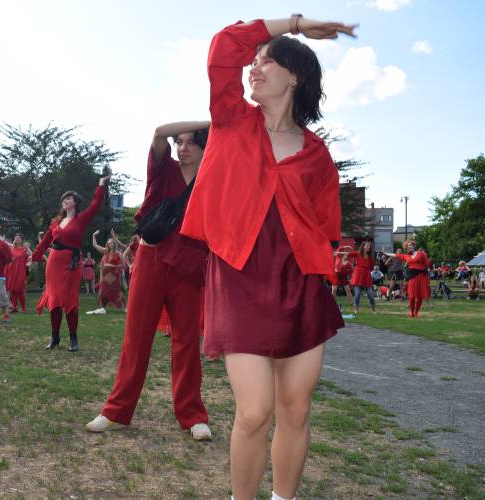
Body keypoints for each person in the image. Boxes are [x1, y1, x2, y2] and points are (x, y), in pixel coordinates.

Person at [177, 16, 355, 499]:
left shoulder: (318, 156)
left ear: (294, 76)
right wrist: (295, 23)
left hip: (298, 283)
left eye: (267, 62)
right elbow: (224, 46)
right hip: (238, 276)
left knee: (296, 409)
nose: (254, 68)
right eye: (254, 62)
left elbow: (326, 227)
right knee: (255, 411)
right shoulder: (232, 119)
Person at [86, 121, 211, 441]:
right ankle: (116, 411)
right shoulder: (162, 168)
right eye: (179, 142)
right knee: (136, 337)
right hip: (152, 259)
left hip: (190, 264)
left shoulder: (212, 173)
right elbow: (159, 132)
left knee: (186, 342)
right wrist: (211, 122)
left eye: (189, 143)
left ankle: (193, 416)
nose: (182, 147)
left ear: (203, 146)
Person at [32, 176, 110, 352]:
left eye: (69, 199)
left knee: (69, 300)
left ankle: (73, 339)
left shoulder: (81, 219)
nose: (65, 201)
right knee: (54, 300)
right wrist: (35, 257)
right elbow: (45, 241)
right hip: (54, 262)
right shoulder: (56, 222)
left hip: (72, 262)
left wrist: (100, 186)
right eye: (64, 199)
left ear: (75, 203)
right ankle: (55, 337)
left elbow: (96, 205)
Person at [386, 240, 431, 317]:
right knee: (411, 295)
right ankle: (412, 312)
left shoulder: (421, 254)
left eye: (410, 245)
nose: (409, 247)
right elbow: (395, 255)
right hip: (412, 277)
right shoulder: (406, 256)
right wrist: (385, 253)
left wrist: (425, 269)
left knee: (420, 296)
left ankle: (416, 312)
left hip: (421, 277)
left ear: (414, 246)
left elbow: (427, 263)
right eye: (407, 246)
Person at [87, 230, 126, 314]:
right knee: (103, 291)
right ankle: (103, 308)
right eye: (109, 243)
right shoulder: (106, 251)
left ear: (114, 244)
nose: (111, 244)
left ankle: (124, 308)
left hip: (114, 276)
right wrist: (94, 235)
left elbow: (123, 266)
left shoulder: (118, 254)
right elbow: (95, 245)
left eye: (112, 243)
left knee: (117, 291)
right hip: (104, 276)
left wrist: (113, 266)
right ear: (107, 245)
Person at [344, 242, 376, 314]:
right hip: (358, 275)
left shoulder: (370, 256)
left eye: (369, 246)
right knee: (357, 294)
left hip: (366, 276)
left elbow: (371, 266)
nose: (369, 247)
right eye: (367, 245)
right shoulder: (358, 253)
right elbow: (348, 255)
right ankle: (356, 309)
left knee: (370, 294)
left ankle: (373, 309)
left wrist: (366, 270)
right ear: (363, 246)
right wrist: (345, 258)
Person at [5, 233, 31, 313]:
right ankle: (14, 307)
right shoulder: (11, 247)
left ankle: (23, 308)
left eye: (19, 238)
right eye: (16, 237)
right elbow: (3, 241)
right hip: (11, 271)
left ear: (22, 240)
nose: (17, 239)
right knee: (12, 290)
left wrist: (28, 248)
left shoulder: (24, 249)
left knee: (20, 290)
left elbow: (31, 255)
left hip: (20, 272)